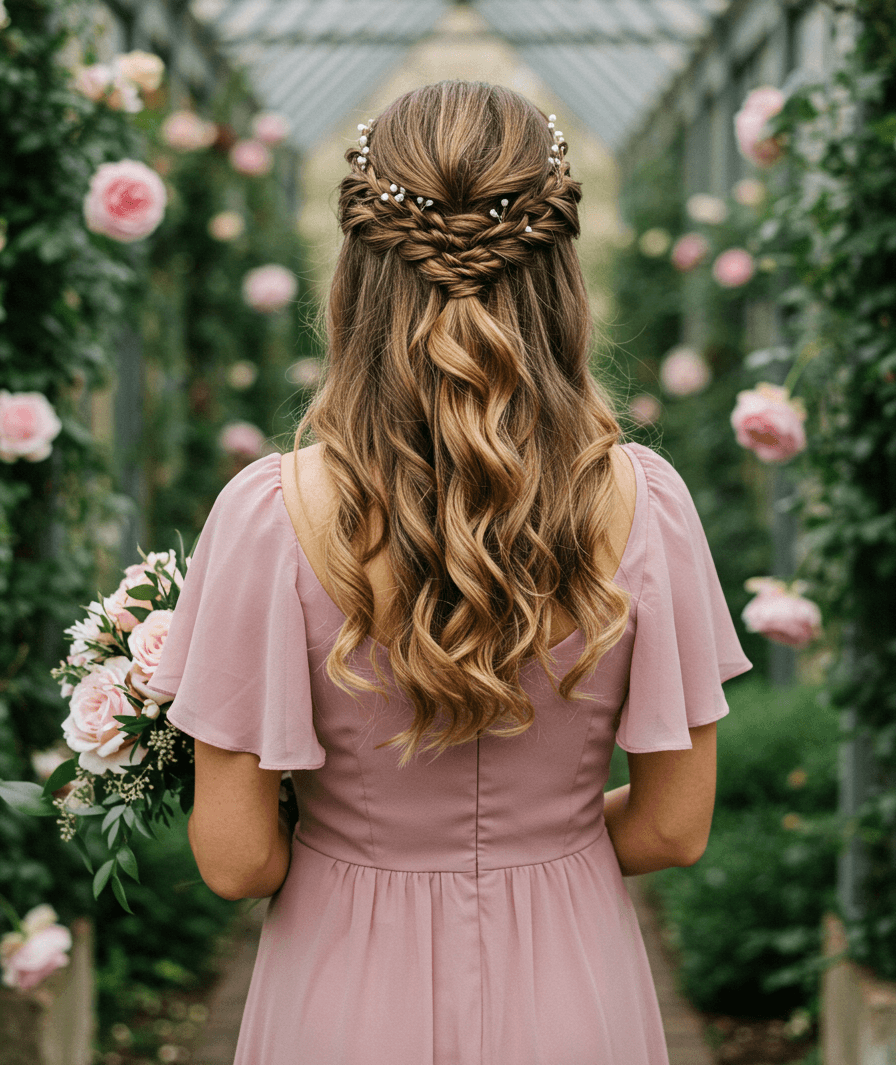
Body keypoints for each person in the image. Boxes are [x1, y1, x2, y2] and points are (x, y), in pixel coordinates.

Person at [148, 80, 753, 1065]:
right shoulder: (645, 504)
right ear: (560, 274)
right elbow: (674, 828)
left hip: (336, 999)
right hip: (572, 984)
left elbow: (234, 856)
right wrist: (540, 837)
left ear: (356, 272)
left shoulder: (269, 515)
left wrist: (364, 840)